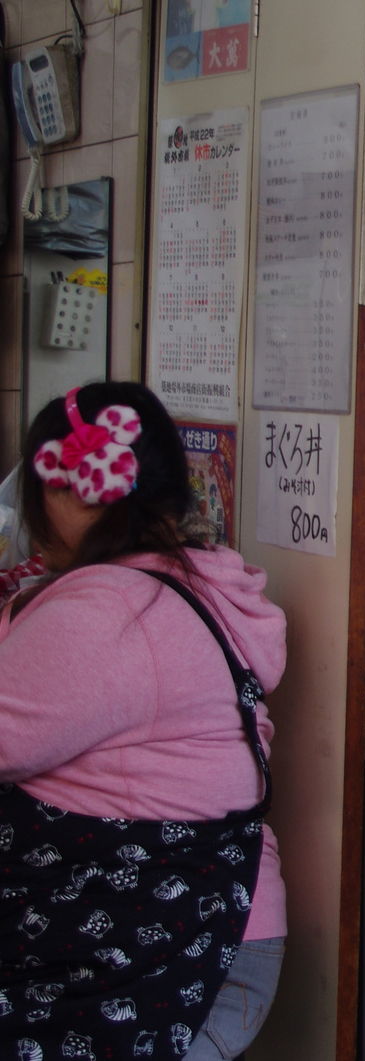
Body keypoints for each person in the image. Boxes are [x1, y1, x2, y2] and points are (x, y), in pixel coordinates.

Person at [0, 383, 288, 1060]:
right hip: (197, 928)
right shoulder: (187, 578)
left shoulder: (109, 611)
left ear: (69, 488)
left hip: (161, 948)